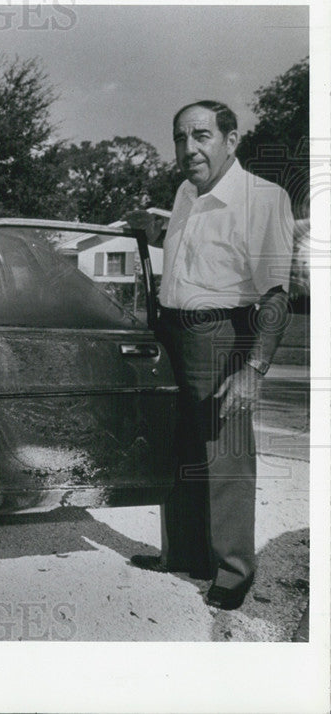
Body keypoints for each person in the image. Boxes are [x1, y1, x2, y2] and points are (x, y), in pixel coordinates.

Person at [125, 100, 294, 610]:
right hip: (172, 329)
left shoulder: (263, 198)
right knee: (178, 450)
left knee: (225, 455)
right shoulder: (183, 193)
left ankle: (233, 569)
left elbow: (275, 296)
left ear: (231, 139)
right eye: (180, 138)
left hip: (221, 332)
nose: (188, 148)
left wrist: (254, 368)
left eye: (200, 136)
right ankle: (185, 554)